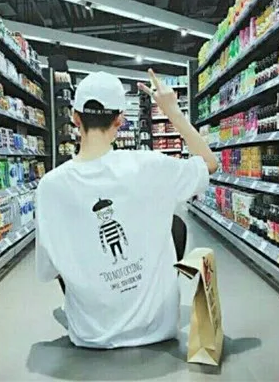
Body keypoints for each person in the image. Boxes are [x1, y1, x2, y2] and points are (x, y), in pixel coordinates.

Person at [36, 69, 218, 349]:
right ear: (120, 120)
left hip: (91, 335)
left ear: (75, 118)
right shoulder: (149, 165)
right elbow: (209, 164)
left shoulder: (50, 186)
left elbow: (49, 269)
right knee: (175, 226)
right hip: (157, 328)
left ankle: (102, 309)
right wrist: (172, 111)